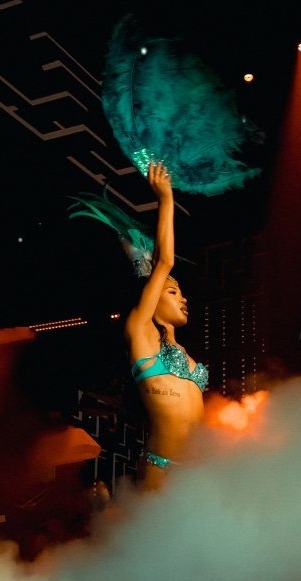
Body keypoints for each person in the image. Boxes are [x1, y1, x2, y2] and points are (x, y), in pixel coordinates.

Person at [126, 161, 208, 489]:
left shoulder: (185, 352)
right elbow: (165, 261)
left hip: (197, 472)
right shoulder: (140, 332)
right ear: (152, 298)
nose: (183, 299)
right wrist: (166, 200)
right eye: (173, 292)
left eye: (182, 293)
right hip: (161, 467)